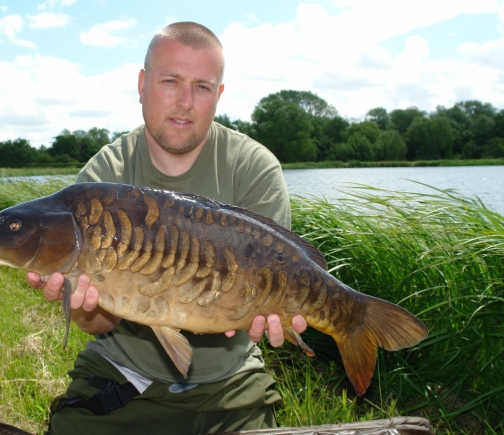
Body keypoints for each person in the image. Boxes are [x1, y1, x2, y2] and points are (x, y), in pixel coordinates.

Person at [26, 21, 307, 434]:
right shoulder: (103, 179)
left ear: (219, 95)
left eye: (202, 87)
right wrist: (85, 307)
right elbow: (99, 324)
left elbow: (275, 279)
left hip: (229, 380)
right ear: (142, 85)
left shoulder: (254, 168)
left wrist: (268, 313)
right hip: (124, 373)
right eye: (170, 81)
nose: (185, 102)